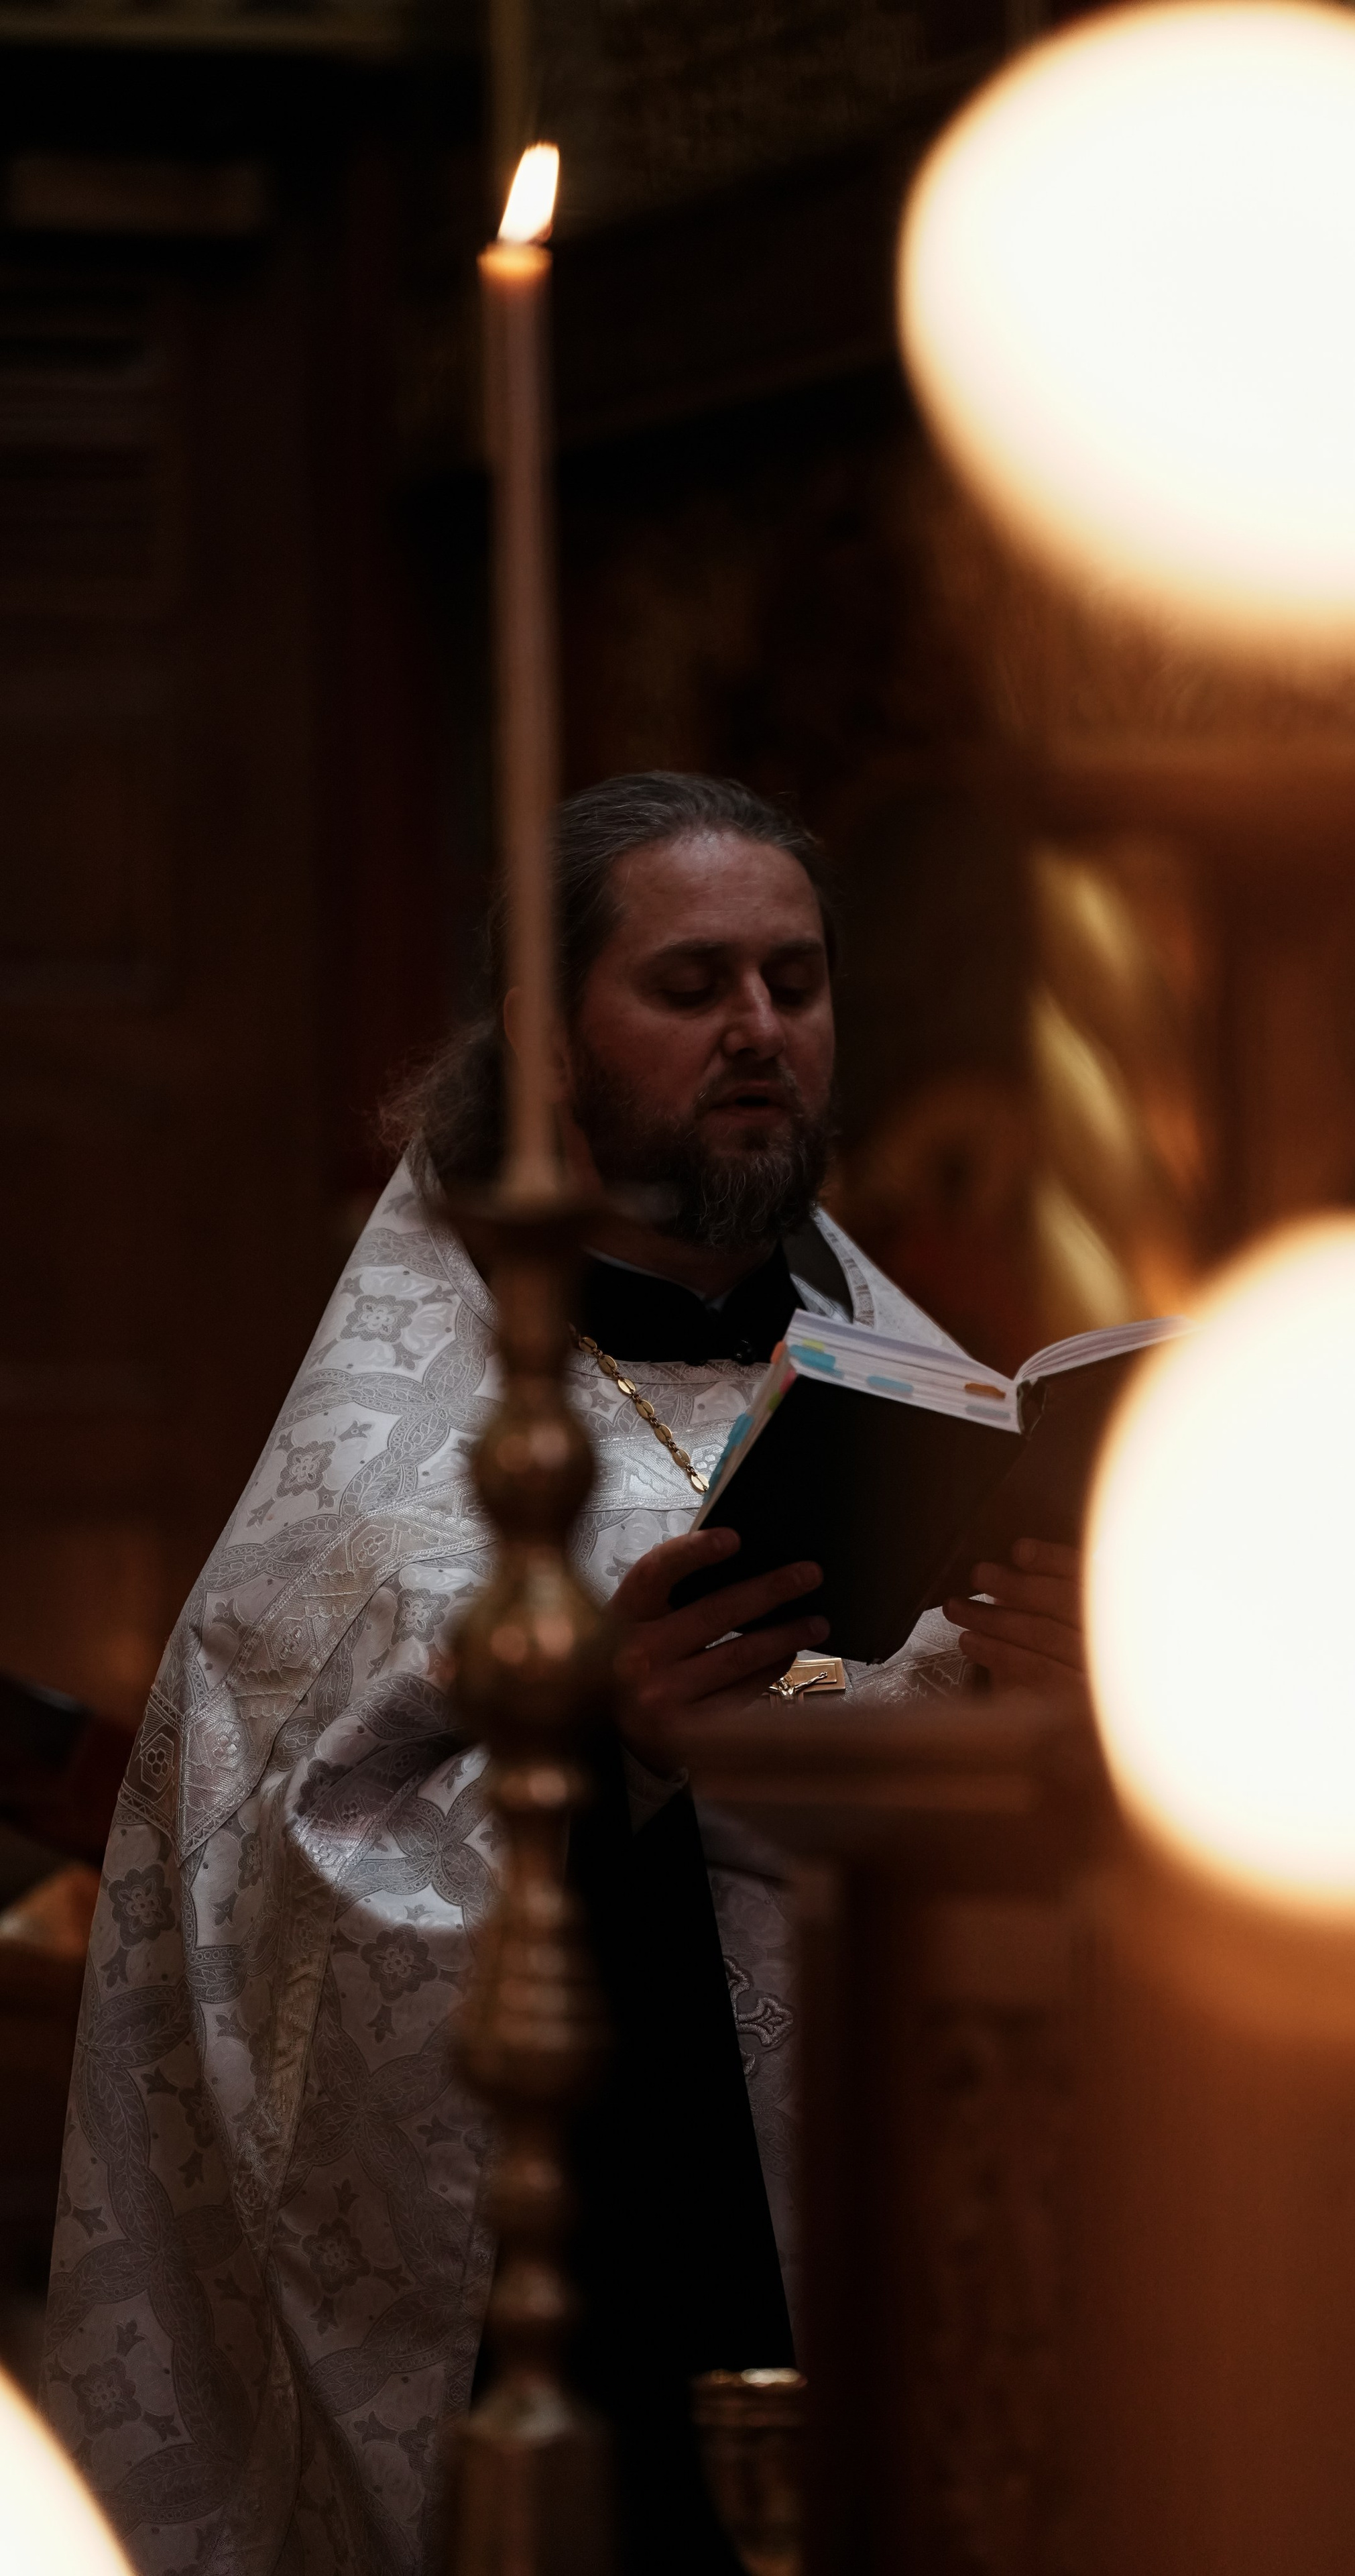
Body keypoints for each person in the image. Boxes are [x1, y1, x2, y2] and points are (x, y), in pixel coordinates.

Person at [42, 773, 1085, 2576]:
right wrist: (598, 1756)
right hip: (615, 2278)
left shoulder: (916, 1387)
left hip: (905, 2238)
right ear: (542, 1039)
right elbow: (277, 1930)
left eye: (794, 980)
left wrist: (1055, 1686)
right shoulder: (392, 1464)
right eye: (691, 985)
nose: (759, 1026)